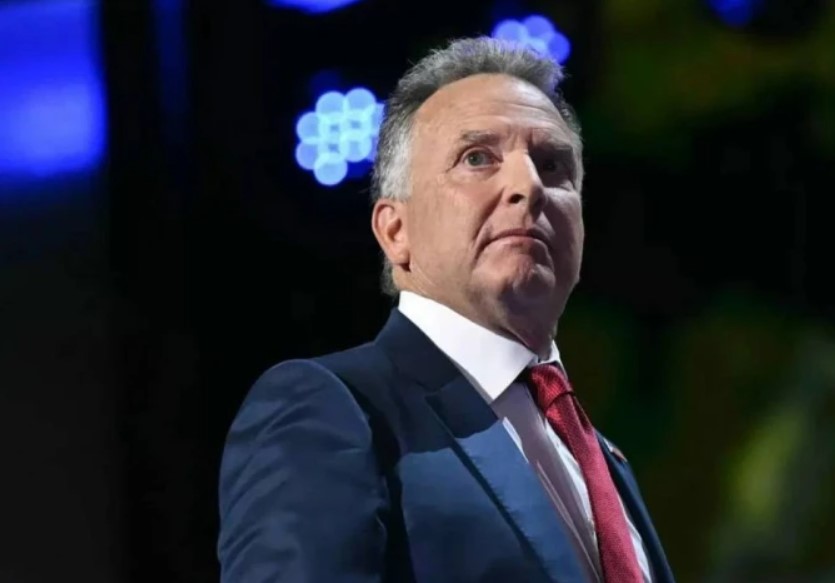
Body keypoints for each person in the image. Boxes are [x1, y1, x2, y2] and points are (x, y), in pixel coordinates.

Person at [217, 37, 675, 583]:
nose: (529, 186)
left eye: (553, 165)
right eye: (477, 157)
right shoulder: (330, 409)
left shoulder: (603, 458)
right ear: (395, 230)